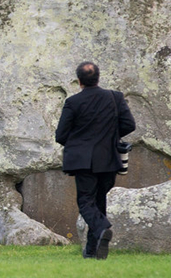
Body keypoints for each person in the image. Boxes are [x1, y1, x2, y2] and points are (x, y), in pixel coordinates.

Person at [55, 61, 136, 260]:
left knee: (85, 202)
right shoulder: (115, 97)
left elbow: (61, 135)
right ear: (98, 78)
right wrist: (110, 137)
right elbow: (129, 124)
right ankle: (92, 250)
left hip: (83, 161)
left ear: (79, 81)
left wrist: (78, 142)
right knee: (99, 202)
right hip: (108, 158)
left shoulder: (73, 102)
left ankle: (102, 228)